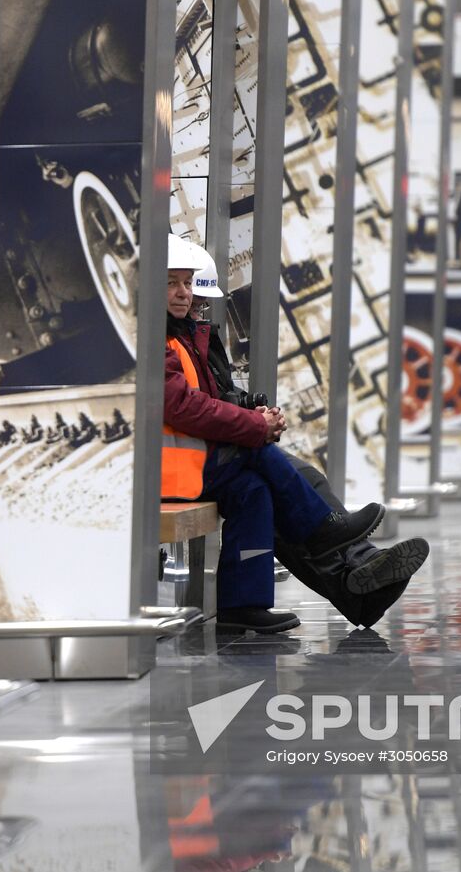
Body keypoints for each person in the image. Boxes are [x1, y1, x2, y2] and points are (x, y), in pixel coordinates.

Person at [163, 236, 420, 635]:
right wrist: (254, 425)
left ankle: (249, 604)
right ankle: (331, 538)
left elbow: (211, 397)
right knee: (267, 461)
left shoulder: (186, 335)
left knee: (257, 489)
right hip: (173, 469)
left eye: (189, 285)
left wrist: (253, 413)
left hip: (191, 461)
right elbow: (184, 406)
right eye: (172, 284)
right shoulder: (157, 339)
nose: (188, 297)